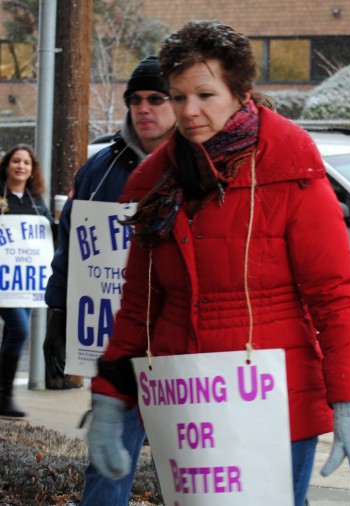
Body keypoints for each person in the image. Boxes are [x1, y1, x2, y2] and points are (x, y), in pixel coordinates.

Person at [85, 20, 350, 506]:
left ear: (241, 92)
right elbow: (140, 306)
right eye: (179, 97)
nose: (189, 111)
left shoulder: (291, 164)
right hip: (185, 400)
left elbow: (334, 293)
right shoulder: (155, 182)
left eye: (205, 94)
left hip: (274, 399)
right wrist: (110, 395)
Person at [42, 56, 176, 504]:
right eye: (135, 99)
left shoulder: (199, 164)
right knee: (106, 464)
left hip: (184, 346)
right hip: (118, 345)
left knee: (191, 470)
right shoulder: (98, 171)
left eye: (156, 98)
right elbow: (69, 249)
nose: (144, 108)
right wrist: (58, 312)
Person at [0, 144, 53, 417]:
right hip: (3, 280)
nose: (21, 166)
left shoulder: (36, 200)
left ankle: (2, 394)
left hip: (28, 282)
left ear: (32, 170)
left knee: (12, 334)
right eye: (16, 161)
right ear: (7, 165)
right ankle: (5, 395)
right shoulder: (1, 196)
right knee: (20, 331)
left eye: (27, 163)